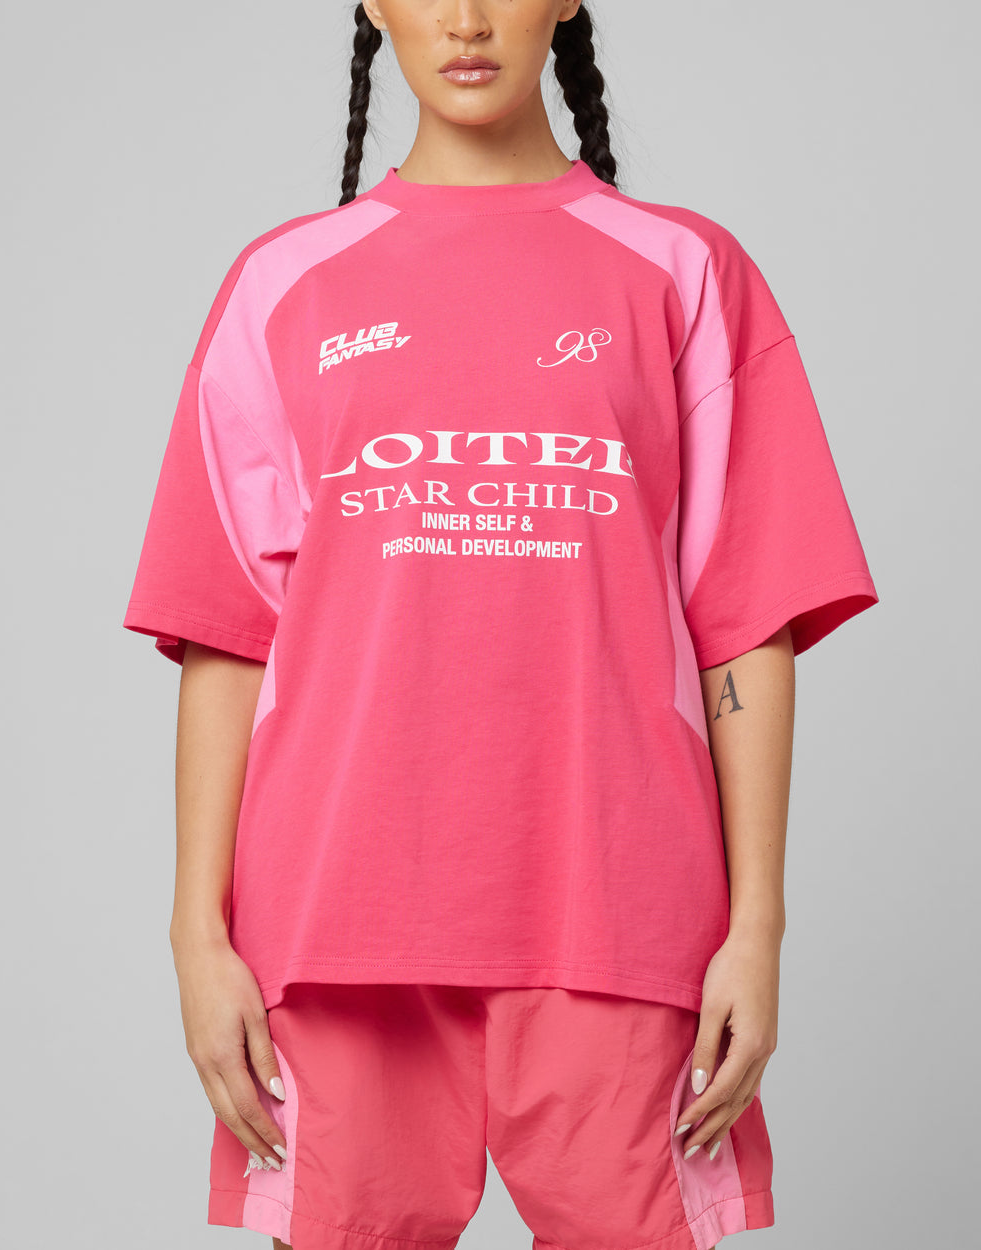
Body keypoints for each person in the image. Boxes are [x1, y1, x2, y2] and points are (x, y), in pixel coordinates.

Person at [122, 3, 879, 1249]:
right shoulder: (283, 285)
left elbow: (745, 623)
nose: (466, 19)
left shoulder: (685, 271)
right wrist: (194, 934)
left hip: (622, 907)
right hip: (334, 916)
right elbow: (227, 632)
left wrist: (757, 928)